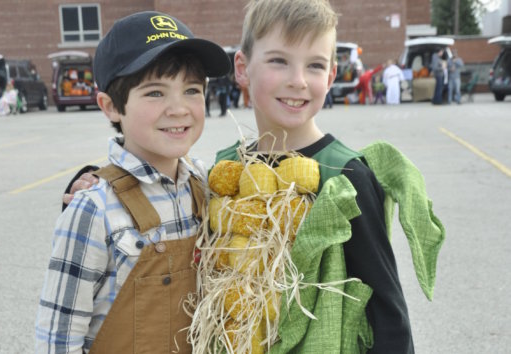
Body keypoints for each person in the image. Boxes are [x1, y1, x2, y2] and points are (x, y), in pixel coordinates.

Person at [64, 1, 445, 352]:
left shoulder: (345, 175)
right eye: (279, 61)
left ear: (331, 74)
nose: (298, 80)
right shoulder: (225, 168)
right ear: (243, 68)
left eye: (314, 65)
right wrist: (92, 182)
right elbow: (163, 194)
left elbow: (388, 311)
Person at [35, 10, 230, 354]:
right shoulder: (93, 208)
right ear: (111, 106)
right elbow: (57, 341)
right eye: (155, 93)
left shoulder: (204, 183)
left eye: (191, 90)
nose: (179, 108)